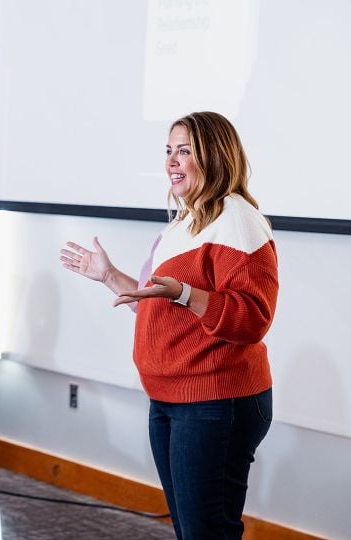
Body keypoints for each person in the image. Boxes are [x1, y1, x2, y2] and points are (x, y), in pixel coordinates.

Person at [60, 111, 278, 539]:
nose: (172, 162)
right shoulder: (184, 223)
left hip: (215, 398)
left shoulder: (236, 219)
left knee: (206, 532)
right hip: (171, 397)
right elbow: (159, 306)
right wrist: (110, 276)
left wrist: (183, 293)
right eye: (168, 151)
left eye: (184, 151)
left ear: (213, 156)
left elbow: (253, 317)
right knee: (190, 530)